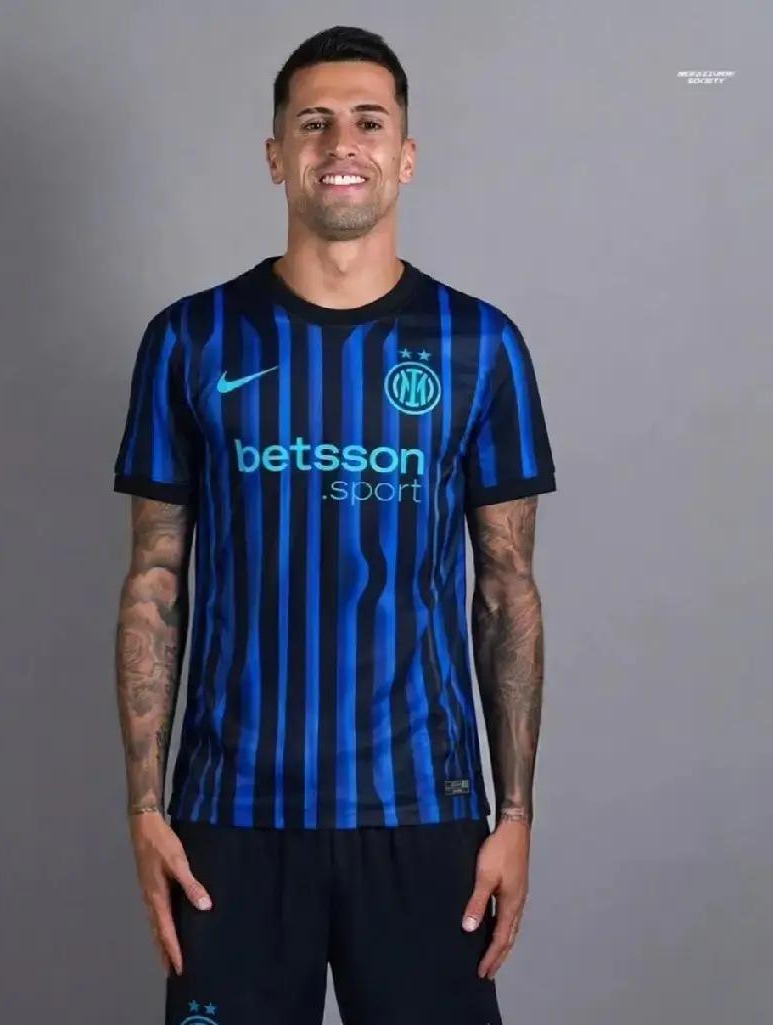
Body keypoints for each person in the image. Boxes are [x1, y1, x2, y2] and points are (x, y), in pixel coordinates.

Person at [112, 24, 556, 1025]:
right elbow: (154, 580)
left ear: (406, 153)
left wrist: (515, 814)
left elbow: (506, 589)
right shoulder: (190, 339)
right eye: (312, 123)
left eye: (368, 121)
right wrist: (144, 805)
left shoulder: (480, 345)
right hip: (230, 816)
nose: (341, 143)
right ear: (276, 154)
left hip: (425, 810)